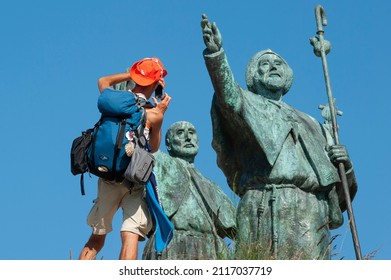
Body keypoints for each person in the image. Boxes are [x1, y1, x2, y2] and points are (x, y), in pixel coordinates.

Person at [200, 14, 358, 259]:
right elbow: (228, 96)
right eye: (265, 63)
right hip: (263, 205)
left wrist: (346, 166)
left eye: (279, 64)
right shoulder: (247, 104)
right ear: (253, 75)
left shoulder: (313, 124)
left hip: (310, 211)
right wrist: (216, 56)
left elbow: (340, 193)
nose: (273, 66)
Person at [78, 57, 172, 260]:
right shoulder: (153, 113)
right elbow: (154, 148)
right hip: (134, 180)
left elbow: (103, 81)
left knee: (96, 239)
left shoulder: (115, 100)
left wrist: (131, 74)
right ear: (157, 82)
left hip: (108, 176)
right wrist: (161, 113)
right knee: (130, 235)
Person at [142, 121, 236, 260]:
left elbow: (235, 226)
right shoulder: (159, 163)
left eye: (192, 133)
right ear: (168, 144)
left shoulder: (211, 186)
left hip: (211, 249)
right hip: (171, 244)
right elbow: (148, 145)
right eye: (180, 133)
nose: (188, 137)